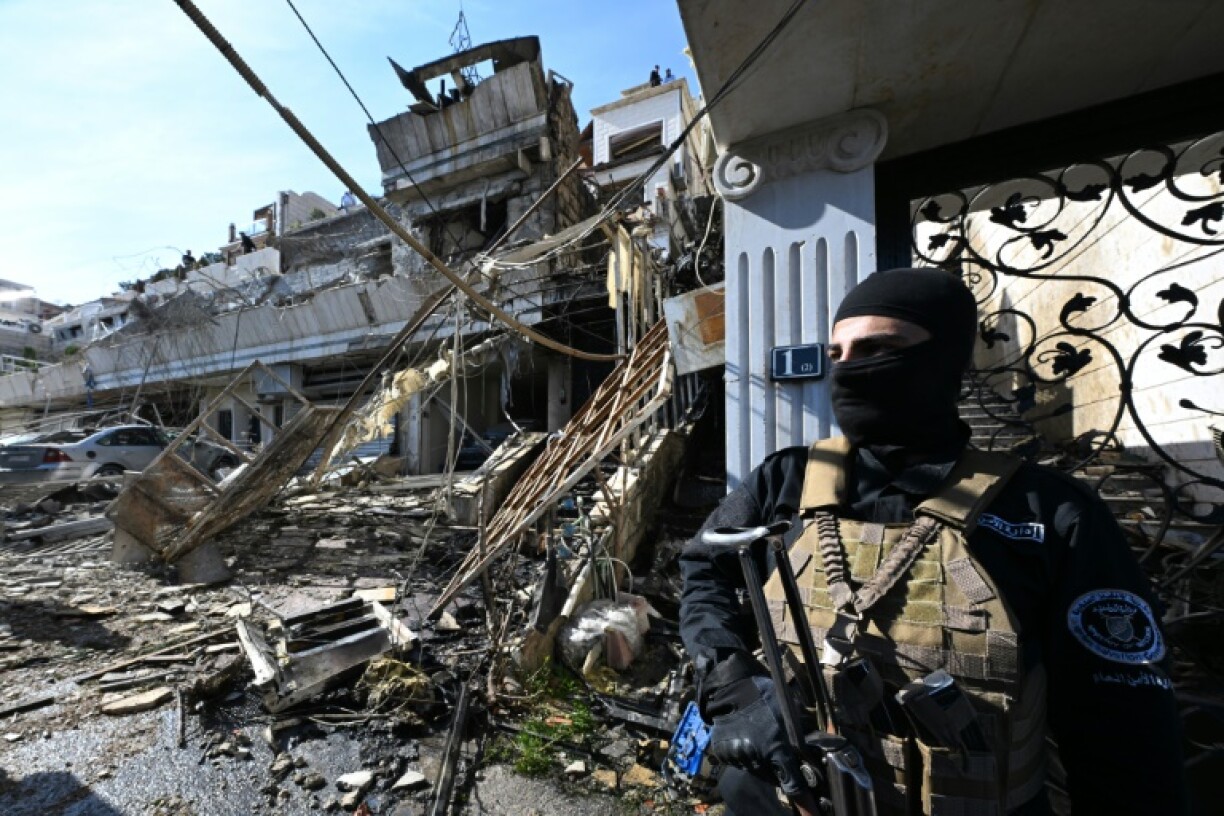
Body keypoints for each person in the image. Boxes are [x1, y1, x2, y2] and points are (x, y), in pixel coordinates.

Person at [679, 267, 1186, 815]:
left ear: (945, 360)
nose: (850, 370)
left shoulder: (1050, 513)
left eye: (879, 349)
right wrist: (735, 687)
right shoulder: (788, 480)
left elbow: (1123, 734)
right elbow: (705, 569)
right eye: (838, 354)